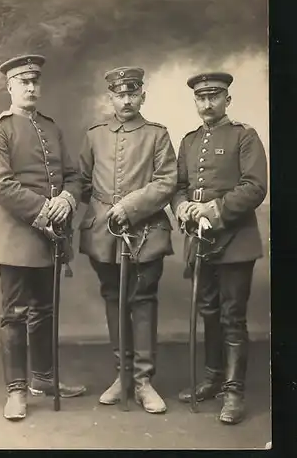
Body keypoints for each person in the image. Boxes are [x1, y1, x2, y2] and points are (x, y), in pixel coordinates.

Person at [0, 55, 86, 421]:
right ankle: (16, 390)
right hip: (15, 236)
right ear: (10, 87)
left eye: (34, 82)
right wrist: (44, 210)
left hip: (50, 239)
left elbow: (73, 175)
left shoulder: (51, 128)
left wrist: (67, 200)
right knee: (14, 314)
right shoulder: (0, 128)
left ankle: (44, 379)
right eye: (22, 82)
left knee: (45, 310)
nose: (30, 88)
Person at [78, 66, 177, 414]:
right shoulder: (94, 136)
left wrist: (130, 206)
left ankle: (144, 380)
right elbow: (82, 182)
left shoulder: (157, 135)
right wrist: (102, 209)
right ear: (111, 97)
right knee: (113, 298)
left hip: (147, 231)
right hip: (103, 233)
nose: (126, 100)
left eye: (132, 93)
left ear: (142, 96)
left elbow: (167, 181)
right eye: (120, 94)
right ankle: (123, 375)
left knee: (144, 299)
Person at [171, 71, 268, 424]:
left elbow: (255, 187)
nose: (207, 103)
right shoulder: (189, 141)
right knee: (208, 310)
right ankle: (212, 377)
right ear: (195, 101)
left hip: (235, 241)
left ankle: (234, 391)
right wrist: (181, 207)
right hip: (200, 242)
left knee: (231, 316)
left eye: (214, 96)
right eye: (201, 97)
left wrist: (214, 208)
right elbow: (179, 185)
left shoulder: (244, 136)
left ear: (227, 99)